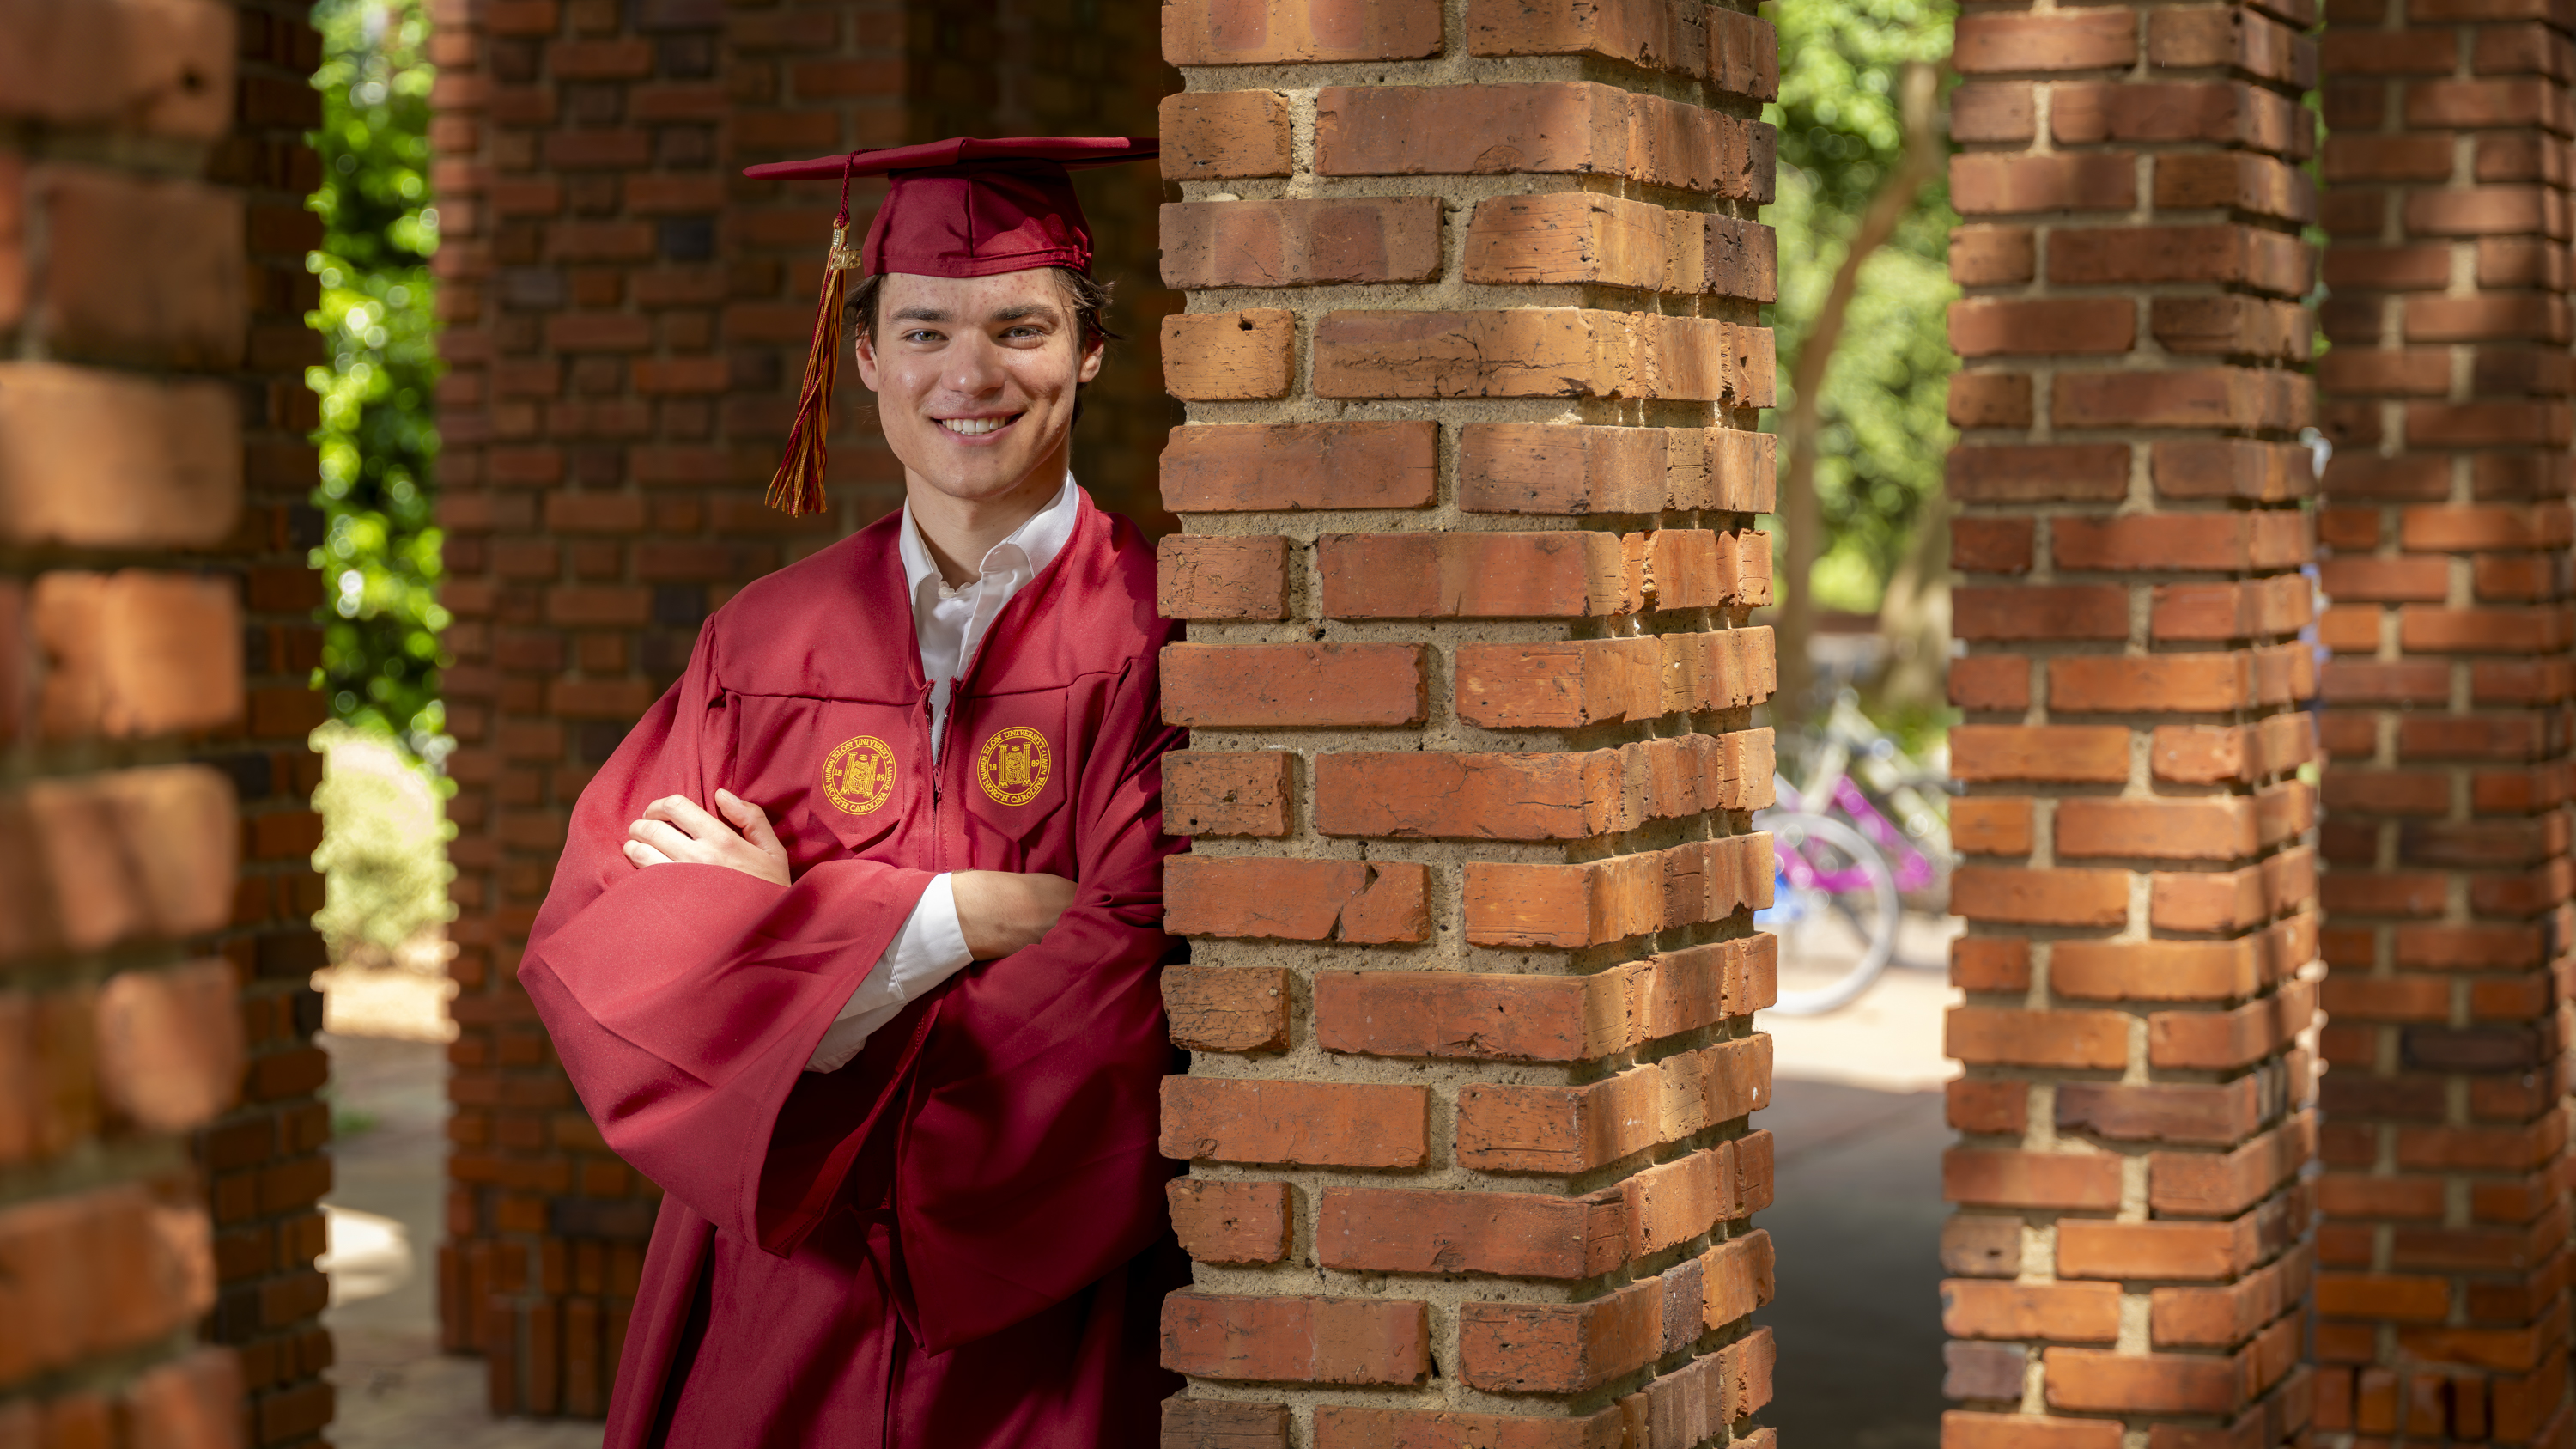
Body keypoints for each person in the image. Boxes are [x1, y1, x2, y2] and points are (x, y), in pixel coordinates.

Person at [517, 137, 1185, 1448]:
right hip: (776, 1307)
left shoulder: (1163, 642)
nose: (971, 375)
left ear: (1091, 351)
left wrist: (785, 943)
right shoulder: (762, 646)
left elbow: (1136, 972)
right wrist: (961, 915)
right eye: (926, 328)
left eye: (1022, 327)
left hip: (1041, 1321)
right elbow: (614, 950)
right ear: (865, 351)